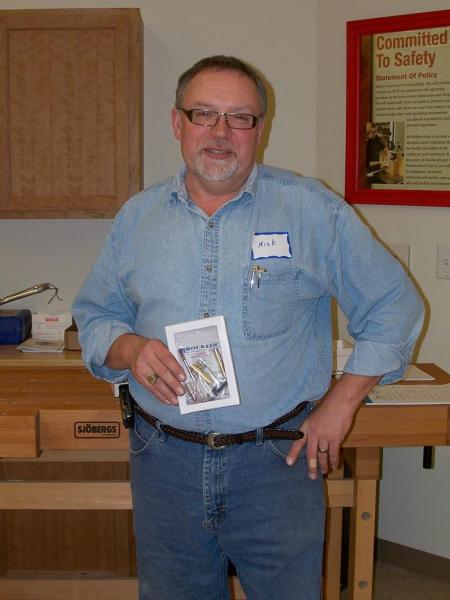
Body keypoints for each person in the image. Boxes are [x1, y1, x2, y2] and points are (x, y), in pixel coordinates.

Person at [73, 55, 424, 600]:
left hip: (277, 464)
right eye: (204, 114)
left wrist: (341, 401)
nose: (220, 132)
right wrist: (128, 347)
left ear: (260, 128)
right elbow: (96, 314)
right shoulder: (137, 218)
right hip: (163, 462)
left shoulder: (313, 211)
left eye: (239, 117)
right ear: (177, 123)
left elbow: (394, 306)